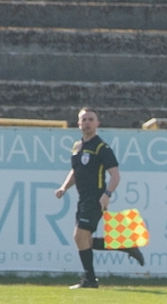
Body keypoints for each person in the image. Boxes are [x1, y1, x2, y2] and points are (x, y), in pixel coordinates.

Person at [54, 107, 144, 289]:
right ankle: (124, 246)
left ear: (97, 124)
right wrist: (64, 187)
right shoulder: (77, 147)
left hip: (95, 198)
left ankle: (90, 280)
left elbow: (116, 175)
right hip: (83, 198)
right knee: (83, 239)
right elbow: (76, 171)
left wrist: (106, 195)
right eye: (84, 119)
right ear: (78, 123)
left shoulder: (102, 147)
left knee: (79, 236)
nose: (87, 122)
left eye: (90, 119)